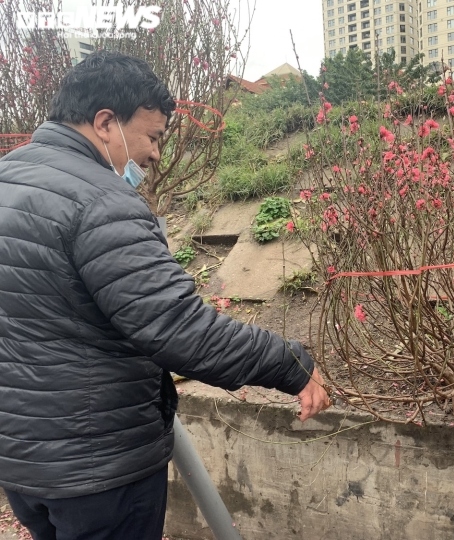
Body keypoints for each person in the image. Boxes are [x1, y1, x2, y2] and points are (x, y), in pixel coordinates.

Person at [0, 50, 330, 539]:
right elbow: (178, 328)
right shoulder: (103, 202)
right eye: (152, 137)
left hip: (22, 462)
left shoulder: (8, 177)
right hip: (100, 470)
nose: (156, 154)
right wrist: (291, 364)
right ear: (106, 123)